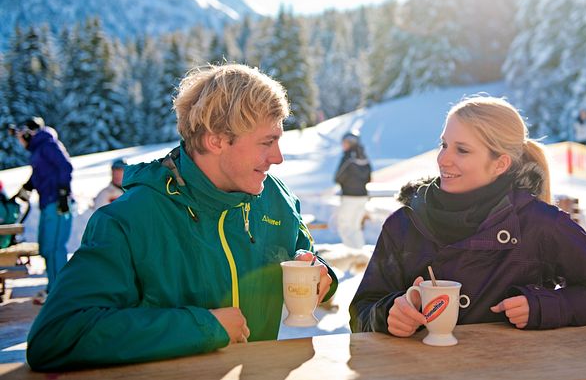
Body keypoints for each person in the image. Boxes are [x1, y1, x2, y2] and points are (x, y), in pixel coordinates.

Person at [27, 64, 337, 371]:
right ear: (215, 140)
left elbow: (305, 254)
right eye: (267, 142)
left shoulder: (276, 200)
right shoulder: (132, 218)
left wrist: (320, 273)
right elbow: (57, 335)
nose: (278, 157)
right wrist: (203, 328)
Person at [349, 96, 586, 337]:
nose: (443, 159)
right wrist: (387, 314)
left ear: (500, 164)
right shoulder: (404, 223)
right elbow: (360, 312)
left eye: (462, 150)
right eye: (444, 144)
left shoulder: (539, 223)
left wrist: (543, 307)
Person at [13, 117, 73, 305]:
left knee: (55, 248)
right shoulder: (39, 149)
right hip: (48, 203)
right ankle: (53, 287)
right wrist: (28, 186)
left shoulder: (47, 144)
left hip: (58, 203)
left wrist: (63, 193)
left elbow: (65, 166)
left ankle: (59, 292)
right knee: (46, 246)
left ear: (29, 133)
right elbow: (43, 173)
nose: (20, 142)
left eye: (21, 136)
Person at [333, 131, 372, 248]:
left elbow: (338, 177)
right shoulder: (364, 157)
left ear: (350, 143)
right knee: (355, 227)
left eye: (344, 142)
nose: (343, 145)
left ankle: (352, 256)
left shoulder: (348, 157)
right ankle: (360, 256)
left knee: (344, 226)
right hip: (363, 197)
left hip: (349, 196)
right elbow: (369, 178)